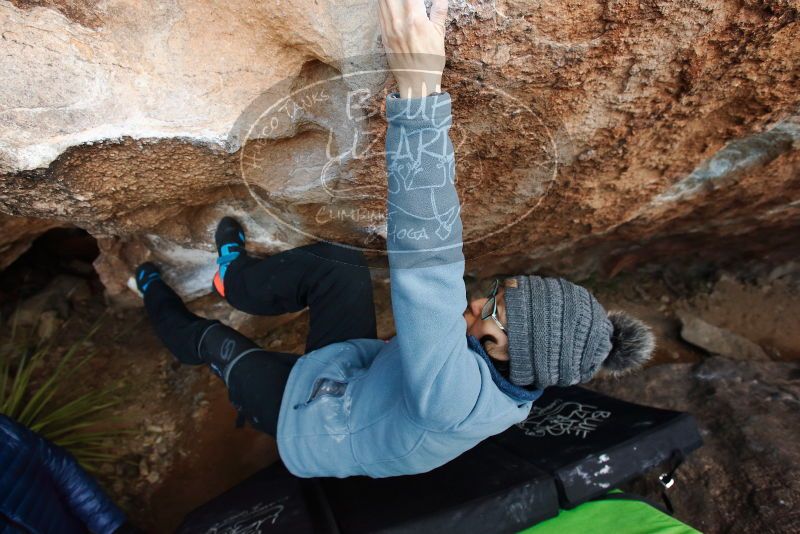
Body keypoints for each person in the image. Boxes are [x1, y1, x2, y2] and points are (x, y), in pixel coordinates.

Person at [133, 0, 654, 479]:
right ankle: (235, 281)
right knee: (337, 263)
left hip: (314, 424)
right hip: (358, 371)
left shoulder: (452, 399)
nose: (474, 301)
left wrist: (421, 95)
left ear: (496, 352)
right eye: (503, 289)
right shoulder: (516, 365)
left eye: (487, 312)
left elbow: (428, 261)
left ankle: (149, 287)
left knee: (215, 344)